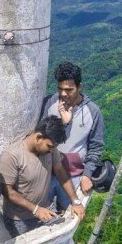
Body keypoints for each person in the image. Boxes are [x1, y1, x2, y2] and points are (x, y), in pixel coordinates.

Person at [0, 116, 84, 244]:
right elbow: (7, 191)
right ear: (38, 137)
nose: (52, 151)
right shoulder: (13, 156)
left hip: (46, 208)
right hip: (19, 217)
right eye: (50, 146)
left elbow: (60, 172)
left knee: (63, 234)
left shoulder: (50, 150)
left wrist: (75, 200)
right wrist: (35, 209)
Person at [41, 62, 104, 209]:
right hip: (47, 172)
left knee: (69, 212)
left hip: (74, 176)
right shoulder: (50, 103)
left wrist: (87, 174)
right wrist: (63, 123)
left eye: (69, 90)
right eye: (60, 89)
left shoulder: (93, 112)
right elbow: (42, 136)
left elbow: (96, 147)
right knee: (43, 215)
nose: (63, 94)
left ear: (79, 87)